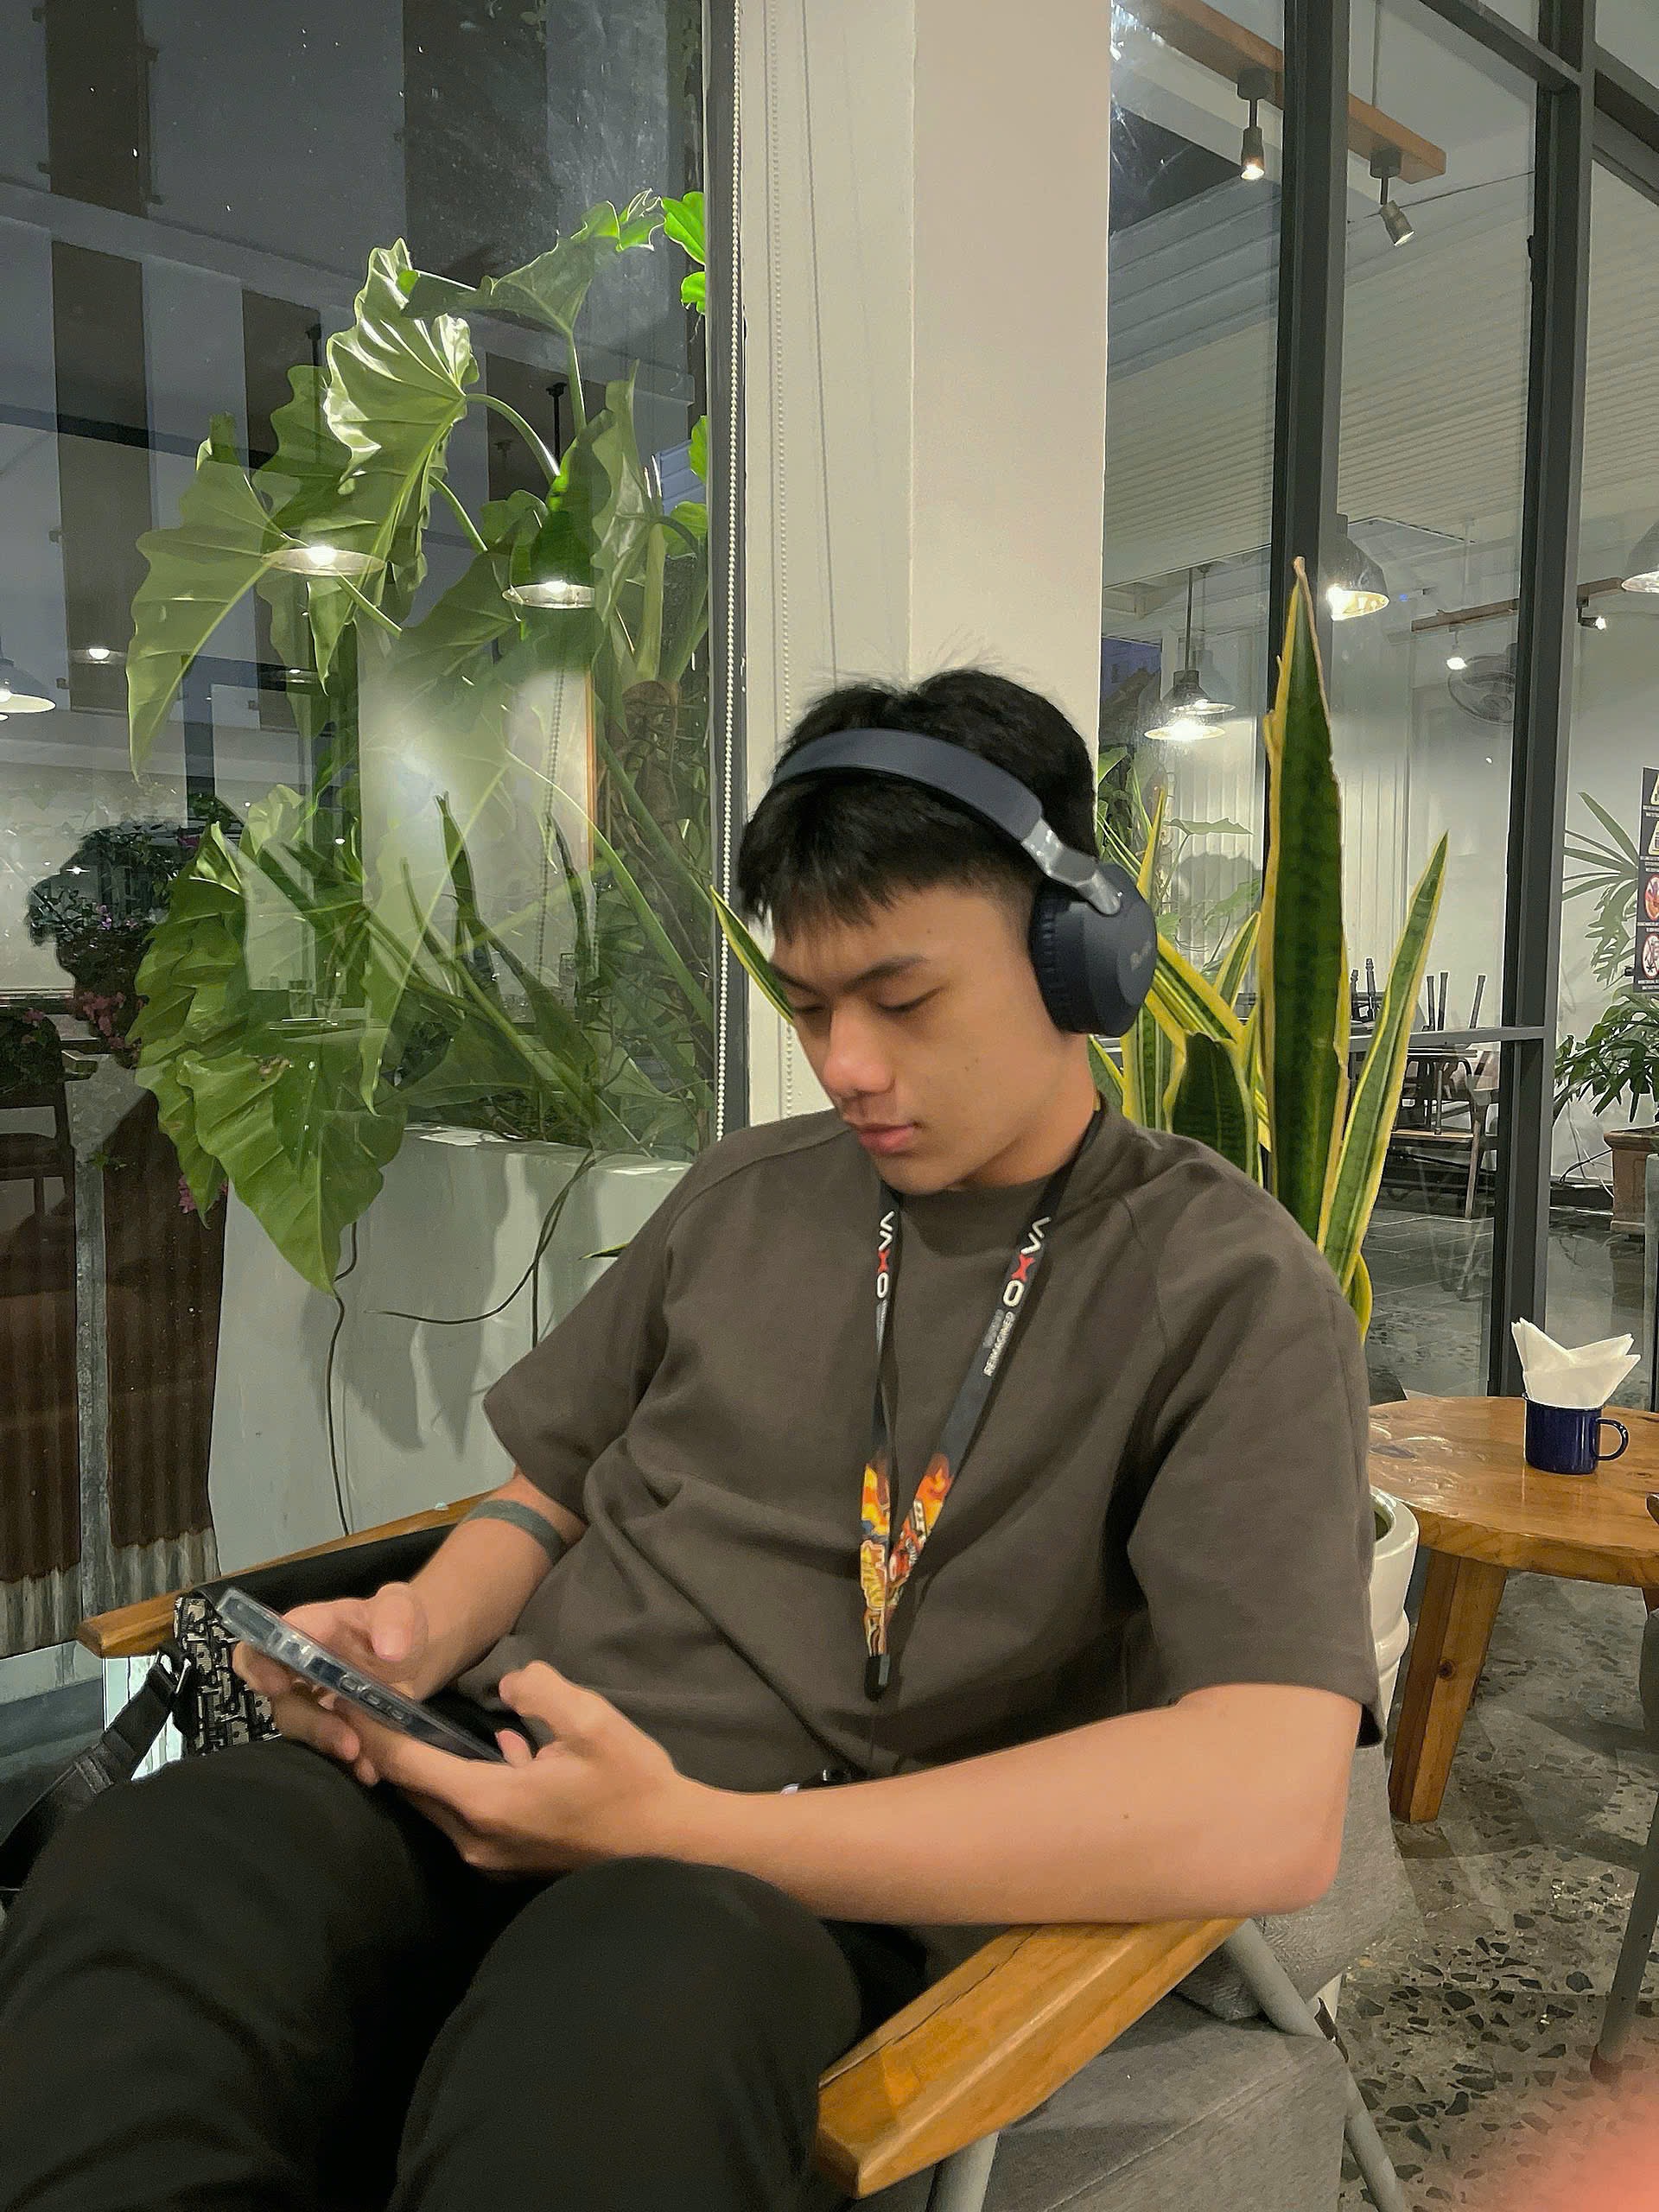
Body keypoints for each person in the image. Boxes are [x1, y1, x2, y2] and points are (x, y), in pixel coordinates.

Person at [0, 669, 1378, 2212]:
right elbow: (547, 1492)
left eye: (904, 1000)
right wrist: (416, 1630)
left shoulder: (1219, 1286)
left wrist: (683, 1831)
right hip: (490, 1768)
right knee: (161, 1870)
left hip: (768, 1875)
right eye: (811, 1006)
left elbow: (1269, 1800)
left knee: (617, 2028)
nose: (846, 1064)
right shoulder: (745, 1194)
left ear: (1077, 956)